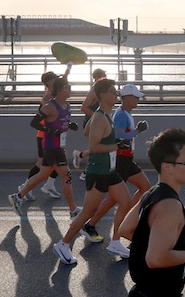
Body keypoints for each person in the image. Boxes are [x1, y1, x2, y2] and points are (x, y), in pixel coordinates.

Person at [119, 127, 185, 297]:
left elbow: (124, 229)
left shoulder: (152, 192)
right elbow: (156, 259)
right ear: (167, 167)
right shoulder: (170, 206)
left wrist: (154, 241)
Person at [53, 79, 135, 265]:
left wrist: (111, 141)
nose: (116, 95)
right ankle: (63, 244)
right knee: (88, 211)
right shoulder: (100, 117)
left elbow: (87, 133)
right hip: (98, 171)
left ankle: (115, 242)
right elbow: (94, 145)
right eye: (112, 91)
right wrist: (116, 145)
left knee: (126, 201)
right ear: (103, 95)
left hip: (109, 170)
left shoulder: (104, 115)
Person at [79, 83, 151, 257]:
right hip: (120, 160)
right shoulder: (120, 115)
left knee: (143, 188)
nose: (138, 100)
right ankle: (115, 236)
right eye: (136, 98)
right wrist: (137, 131)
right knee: (120, 199)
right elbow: (118, 136)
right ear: (127, 98)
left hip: (127, 159)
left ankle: (92, 224)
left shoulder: (126, 113)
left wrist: (135, 132)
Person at [8, 76, 80, 218]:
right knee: (67, 176)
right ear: (59, 90)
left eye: (70, 87)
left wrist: (70, 125)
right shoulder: (49, 107)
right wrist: (49, 130)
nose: (70, 90)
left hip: (59, 145)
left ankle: (18, 196)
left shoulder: (67, 105)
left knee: (42, 175)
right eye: (67, 88)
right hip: (51, 146)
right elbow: (34, 122)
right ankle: (73, 210)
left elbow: (61, 122)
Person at [20, 70, 68, 202]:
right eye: (55, 79)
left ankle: (49, 185)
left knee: (58, 161)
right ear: (49, 82)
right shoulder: (48, 96)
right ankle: (25, 187)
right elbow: (39, 119)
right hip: (45, 135)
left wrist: (68, 69)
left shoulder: (54, 93)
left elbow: (63, 83)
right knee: (42, 163)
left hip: (57, 135)